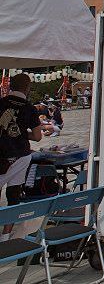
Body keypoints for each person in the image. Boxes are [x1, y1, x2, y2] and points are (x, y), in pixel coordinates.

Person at [0, 74, 43, 239]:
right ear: (28, 88)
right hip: (21, 156)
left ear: (11, 85)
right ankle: (6, 235)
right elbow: (38, 136)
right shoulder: (29, 108)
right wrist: (22, 135)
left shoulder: (1, 103)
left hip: (1, 155)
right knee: (14, 194)